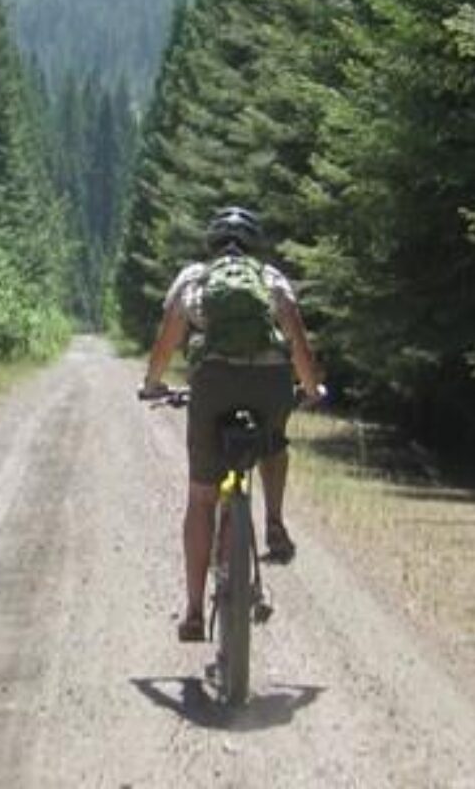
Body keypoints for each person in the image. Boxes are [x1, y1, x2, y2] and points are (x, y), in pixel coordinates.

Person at [139, 205, 326, 643]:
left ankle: (192, 611)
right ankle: (274, 521)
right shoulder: (271, 278)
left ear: (212, 244)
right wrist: (310, 387)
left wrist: (152, 384)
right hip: (269, 383)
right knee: (274, 442)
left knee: (202, 497)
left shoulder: (194, 278)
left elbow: (168, 339)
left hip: (214, 383)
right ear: (255, 245)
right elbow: (296, 337)